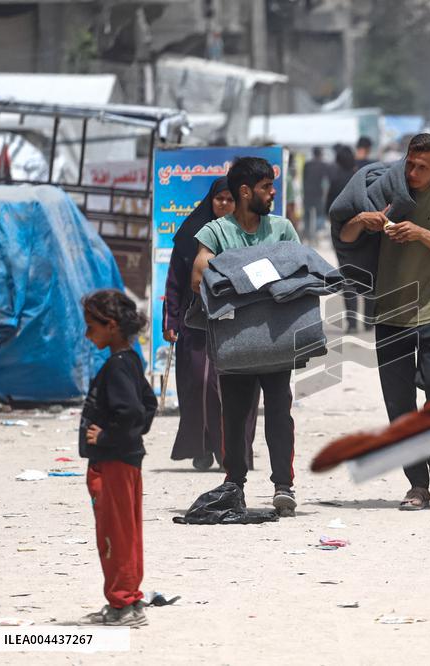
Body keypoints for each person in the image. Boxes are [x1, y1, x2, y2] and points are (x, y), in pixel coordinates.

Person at [340, 133, 430, 510]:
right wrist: (360, 219)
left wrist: (421, 234)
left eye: (422, 167)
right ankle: (417, 486)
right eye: (410, 164)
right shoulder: (387, 192)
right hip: (389, 312)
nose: (413, 173)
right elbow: (346, 236)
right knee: (399, 403)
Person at [190, 157, 301, 515]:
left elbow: (299, 270)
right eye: (266, 187)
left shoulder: (282, 228)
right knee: (235, 415)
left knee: (280, 411)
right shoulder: (215, 232)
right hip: (234, 341)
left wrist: (235, 278)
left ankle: (283, 486)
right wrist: (261, 279)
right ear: (244, 191)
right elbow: (198, 278)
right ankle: (234, 483)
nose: (272, 193)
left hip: (276, 336)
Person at [164, 177, 260, 471]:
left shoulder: (249, 233)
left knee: (239, 387)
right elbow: (175, 282)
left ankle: (235, 451)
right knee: (201, 384)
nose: (224, 204)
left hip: (239, 322)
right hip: (197, 323)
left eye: (230, 199)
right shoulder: (190, 236)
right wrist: (171, 320)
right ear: (211, 200)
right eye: (219, 198)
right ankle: (203, 447)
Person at [78, 289, 157, 626]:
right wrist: (130, 435)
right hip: (125, 461)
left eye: (91, 326)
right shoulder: (130, 361)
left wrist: (108, 437)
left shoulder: (116, 367)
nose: (87, 333)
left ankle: (123, 604)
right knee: (127, 532)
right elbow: (149, 406)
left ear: (111, 326)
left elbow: (132, 410)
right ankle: (130, 601)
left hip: (114, 463)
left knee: (115, 535)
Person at [327, 145, 369, 332]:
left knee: (348, 276)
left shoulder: (336, 180)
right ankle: (369, 321)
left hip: (342, 234)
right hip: (366, 231)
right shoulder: (361, 179)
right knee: (369, 273)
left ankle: (352, 323)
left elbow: (327, 207)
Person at [302, 147, 330, 242]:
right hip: (318, 194)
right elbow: (325, 181)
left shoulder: (307, 164)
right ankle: (317, 236)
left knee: (307, 216)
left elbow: (304, 179)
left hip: (307, 193)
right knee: (319, 215)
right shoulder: (324, 165)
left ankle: (307, 235)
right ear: (320, 154)